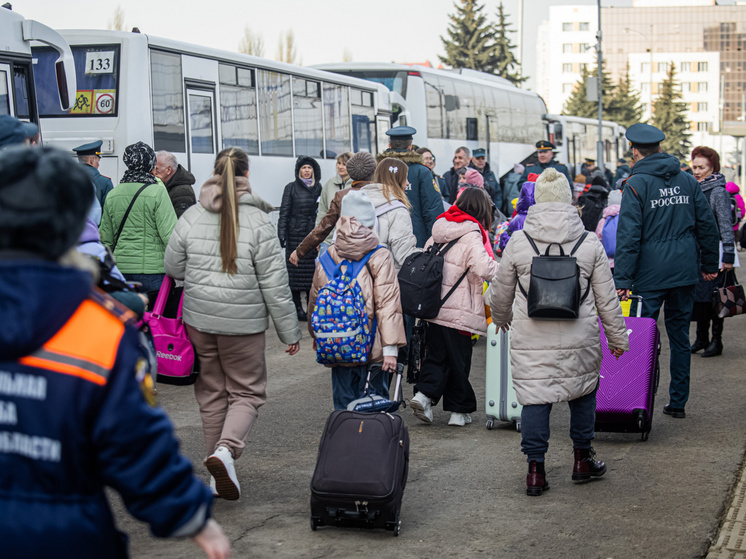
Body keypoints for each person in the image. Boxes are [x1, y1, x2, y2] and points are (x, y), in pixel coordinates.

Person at [0, 146, 231, 559]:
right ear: (71, 224)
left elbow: (106, 232)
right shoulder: (101, 329)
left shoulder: (118, 191)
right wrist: (189, 514)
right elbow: (134, 439)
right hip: (67, 536)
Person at [164, 147, 301, 501]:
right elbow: (275, 285)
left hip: (198, 320)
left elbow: (174, 267)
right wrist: (290, 331)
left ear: (214, 171)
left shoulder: (192, 215)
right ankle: (226, 450)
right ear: (246, 175)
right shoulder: (258, 222)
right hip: (244, 325)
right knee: (247, 392)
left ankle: (216, 469)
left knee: (211, 393)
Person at [487, 167, 628, 497]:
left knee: (536, 400)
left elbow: (500, 294)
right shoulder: (589, 243)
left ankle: (535, 471)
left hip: (531, 338)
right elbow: (607, 298)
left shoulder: (519, 242)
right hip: (580, 337)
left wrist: (502, 319)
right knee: (582, 393)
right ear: (569, 200)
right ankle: (582, 460)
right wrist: (618, 337)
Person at [614, 123, 720, 420]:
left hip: (648, 276)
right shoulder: (687, 181)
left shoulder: (635, 184)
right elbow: (707, 225)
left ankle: (636, 402)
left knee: (639, 339)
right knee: (679, 338)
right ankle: (678, 403)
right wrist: (709, 264)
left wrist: (622, 279)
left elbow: (628, 236)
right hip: (684, 272)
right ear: (660, 148)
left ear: (635, 151)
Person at [307, 190, 406, 410]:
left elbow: (315, 298)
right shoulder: (379, 255)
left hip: (337, 342)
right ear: (370, 222)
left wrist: (317, 334)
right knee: (373, 406)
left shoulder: (327, 255)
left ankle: (345, 443)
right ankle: (371, 444)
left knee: (343, 406)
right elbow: (388, 304)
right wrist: (390, 348)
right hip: (373, 347)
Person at [409, 188, 499, 427]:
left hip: (433, 307)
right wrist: (507, 271)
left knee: (437, 356)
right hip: (459, 311)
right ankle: (458, 412)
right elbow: (484, 268)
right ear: (480, 209)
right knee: (459, 360)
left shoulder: (439, 230)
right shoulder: (471, 234)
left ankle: (423, 396)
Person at [99, 141, 177, 294]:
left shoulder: (113, 194)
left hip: (121, 270)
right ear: (151, 164)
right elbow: (170, 235)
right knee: (154, 316)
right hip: (153, 271)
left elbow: (105, 238)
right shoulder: (157, 192)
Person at [689, 146, 737, 358]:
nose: (697, 171)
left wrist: (728, 256)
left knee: (716, 298)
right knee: (700, 298)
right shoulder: (694, 188)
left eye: (702, 167)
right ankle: (701, 338)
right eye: (695, 167)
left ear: (712, 168)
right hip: (697, 253)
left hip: (715, 253)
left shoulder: (718, 191)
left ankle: (716, 341)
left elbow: (726, 225)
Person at [290, 152, 377, 265]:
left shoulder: (342, 196)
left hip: (344, 251)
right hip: (374, 253)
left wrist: (300, 251)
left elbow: (323, 227)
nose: (340, 166)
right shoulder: (382, 193)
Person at [377, 126, 443, 247]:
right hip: (416, 240)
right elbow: (433, 210)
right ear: (410, 146)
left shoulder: (379, 170)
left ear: (390, 146)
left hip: (382, 240)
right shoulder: (422, 172)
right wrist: (435, 242)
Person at [278, 156, 323, 321]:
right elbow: (284, 212)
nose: (306, 171)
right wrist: (281, 233)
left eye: (309, 168)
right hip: (294, 235)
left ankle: (310, 306)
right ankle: (297, 307)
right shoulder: (290, 188)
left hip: (312, 236)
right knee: (295, 273)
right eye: (303, 168)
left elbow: (322, 213)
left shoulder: (319, 188)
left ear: (313, 171)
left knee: (311, 273)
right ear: (298, 171)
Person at [361, 158, 418, 270]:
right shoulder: (397, 210)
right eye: (405, 177)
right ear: (396, 179)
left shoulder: (359, 201)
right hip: (384, 276)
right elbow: (403, 254)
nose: (407, 183)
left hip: (358, 274)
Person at [314, 152, 353, 256]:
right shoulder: (329, 184)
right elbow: (322, 211)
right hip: (328, 240)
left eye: (344, 164)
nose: (340, 167)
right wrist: (317, 237)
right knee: (324, 271)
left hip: (349, 240)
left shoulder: (355, 185)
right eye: (338, 163)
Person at [498, 175, 537, 254]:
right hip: (539, 260)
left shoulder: (517, 219)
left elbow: (504, 241)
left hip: (519, 257)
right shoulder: (543, 216)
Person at [154, 151, 197, 218]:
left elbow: (182, 222)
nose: (154, 173)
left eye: (157, 169)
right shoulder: (170, 186)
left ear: (168, 170)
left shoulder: (182, 192)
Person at [73, 140, 114, 210]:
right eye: (98, 160)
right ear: (92, 160)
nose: (98, 164)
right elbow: (109, 213)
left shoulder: (67, 180)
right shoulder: (105, 183)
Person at [595, 189, 623, 271]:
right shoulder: (626, 219)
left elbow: (598, 240)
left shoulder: (603, 220)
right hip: (622, 261)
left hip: (607, 263)